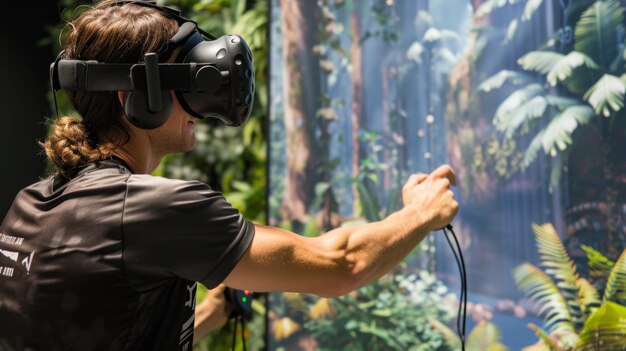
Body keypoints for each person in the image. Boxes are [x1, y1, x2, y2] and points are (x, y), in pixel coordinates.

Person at [0, 1, 459, 350]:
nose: (202, 105)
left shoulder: (30, 205)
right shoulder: (153, 208)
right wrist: (420, 213)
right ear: (137, 98)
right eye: (187, 85)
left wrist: (206, 316)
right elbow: (342, 265)